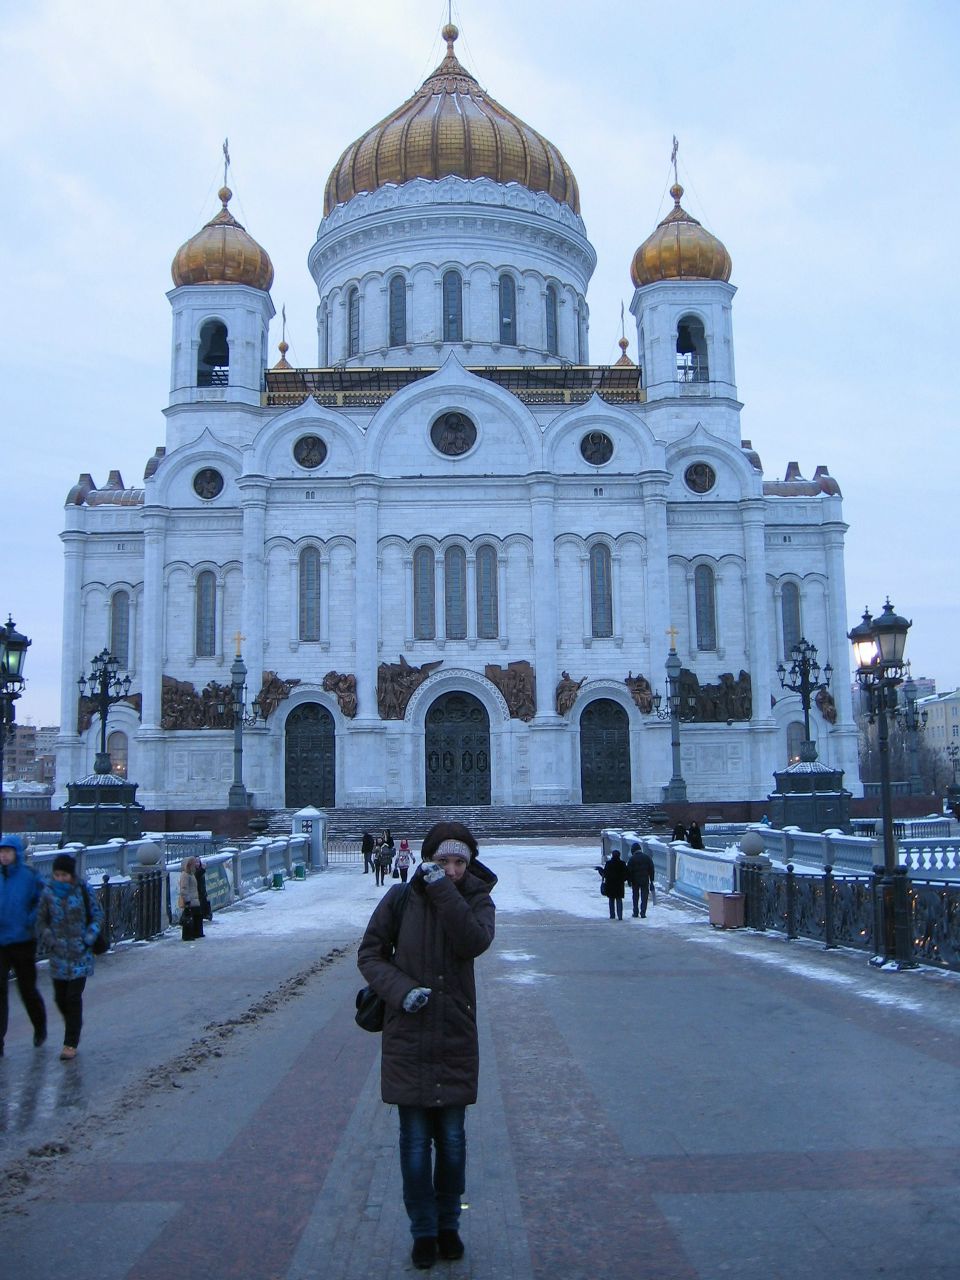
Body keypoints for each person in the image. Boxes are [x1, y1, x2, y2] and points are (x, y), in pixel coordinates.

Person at [358, 822, 496, 1271]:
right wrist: (400, 992)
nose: (451, 869)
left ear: (469, 864)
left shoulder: (477, 900)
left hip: (454, 1036)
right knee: (415, 1145)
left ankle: (449, 1225)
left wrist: (443, 891)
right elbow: (370, 954)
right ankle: (422, 1231)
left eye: (460, 861)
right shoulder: (400, 899)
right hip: (410, 1037)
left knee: (453, 1143)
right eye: (443, 861)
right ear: (428, 859)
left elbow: (473, 942)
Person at [36, 853, 102, 1061]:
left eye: (64, 874)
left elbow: (97, 915)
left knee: (73, 997)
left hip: (80, 953)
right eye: (57, 874)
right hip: (58, 954)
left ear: (71, 874)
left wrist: (88, 938)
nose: (60, 878)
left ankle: (70, 1042)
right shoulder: (48, 893)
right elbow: (41, 920)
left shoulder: (83, 890)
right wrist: (49, 938)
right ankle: (74, 1023)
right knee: (59, 998)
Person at [0, 834, 47, 1055]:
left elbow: (42, 899)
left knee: (27, 989)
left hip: (23, 941)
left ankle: (39, 1026)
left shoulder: (28, 876)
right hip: (1, 942)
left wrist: (32, 919)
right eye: (1, 852)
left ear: (16, 853)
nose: (4, 856)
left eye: (8, 852)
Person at [625, 842, 657, 919]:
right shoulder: (647, 857)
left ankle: (635, 912)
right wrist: (651, 879)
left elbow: (628, 871)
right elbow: (651, 869)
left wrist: (629, 881)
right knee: (644, 896)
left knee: (635, 896)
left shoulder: (632, 859)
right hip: (645, 880)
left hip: (635, 880)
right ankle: (643, 912)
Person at [177, 856, 205, 940]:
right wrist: (187, 900)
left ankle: (196, 933)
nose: (195, 865)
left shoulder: (191, 874)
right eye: (193, 864)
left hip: (195, 900)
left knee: (197, 917)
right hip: (190, 900)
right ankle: (188, 935)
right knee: (189, 918)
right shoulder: (185, 875)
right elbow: (184, 889)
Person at [600, 847, 628, 920]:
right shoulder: (622, 863)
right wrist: (622, 880)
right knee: (619, 900)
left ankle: (612, 915)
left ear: (612, 855)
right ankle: (620, 916)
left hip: (610, 885)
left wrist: (600, 870)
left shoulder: (608, 863)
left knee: (611, 900)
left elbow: (605, 874)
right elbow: (626, 874)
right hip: (619, 885)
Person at [195, 856, 213, 922]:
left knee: (205, 903)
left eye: (198, 861)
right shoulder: (194, 871)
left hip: (202, 891)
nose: (197, 863)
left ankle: (207, 915)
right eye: (196, 862)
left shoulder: (200, 870)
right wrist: (203, 869)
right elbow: (197, 875)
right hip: (196, 892)